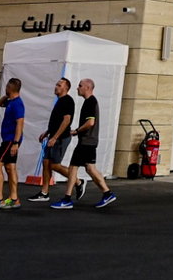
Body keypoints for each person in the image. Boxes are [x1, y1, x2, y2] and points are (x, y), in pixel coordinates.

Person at [52, 78, 116, 210]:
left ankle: (67, 198)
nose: (77, 88)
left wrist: (77, 130)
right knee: (90, 168)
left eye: (80, 86)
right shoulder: (90, 102)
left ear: (87, 87)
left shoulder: (90, 102)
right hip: (89, 141)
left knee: (73, 167)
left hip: (87, 141)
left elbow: (90, 122)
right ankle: (107, 193)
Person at [29, 77, 75, 202]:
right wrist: (47, 132)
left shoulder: (68, 101)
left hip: (61, 138)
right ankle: (44, 192)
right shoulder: (59, 101)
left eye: (59, 85)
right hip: (52, 136)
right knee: (46, 163)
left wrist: (55, 137)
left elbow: (66, 120)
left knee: (55, 165)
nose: (56, 87)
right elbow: (56, 121)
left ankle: (77, 181)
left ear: (66, 88)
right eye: (56, 84)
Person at [0, 78, 25, 210]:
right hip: (8, 139)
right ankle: (14, 199)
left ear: (10, 87)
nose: (5, 88)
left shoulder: (17, 104)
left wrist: (15, 143)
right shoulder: (10, 101)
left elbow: (20, 123)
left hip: (10, 140)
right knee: (10, 167)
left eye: (7, 86)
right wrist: (7, 96)